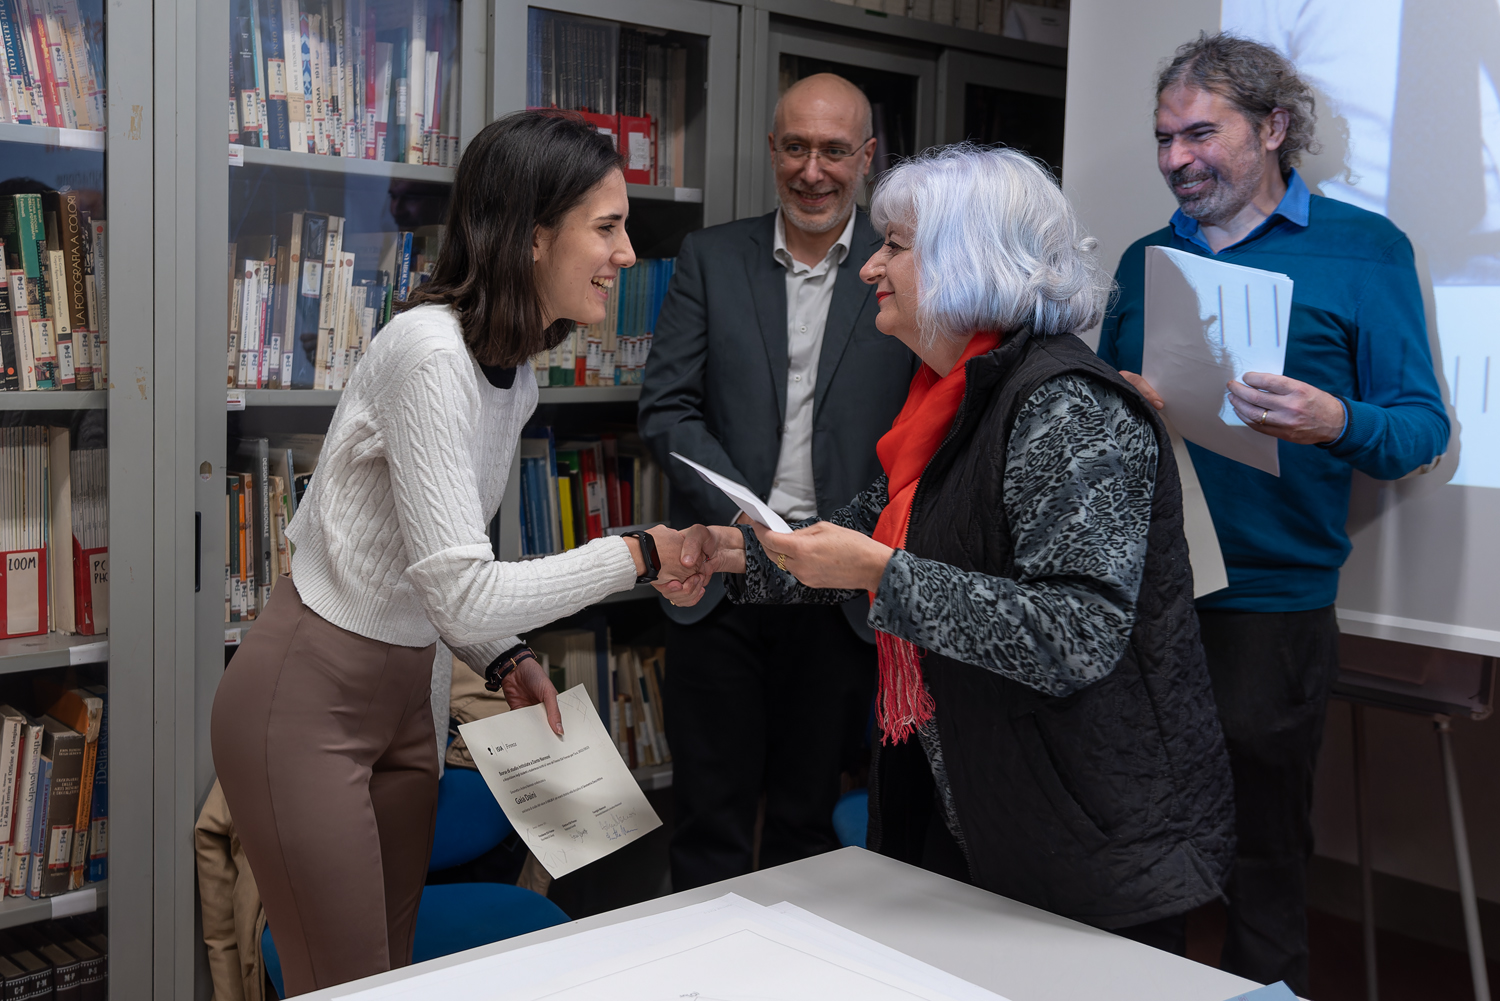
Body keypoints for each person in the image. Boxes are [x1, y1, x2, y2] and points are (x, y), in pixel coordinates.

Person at [664, 144, 1236, 951]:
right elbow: (867, 534)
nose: (870, 267)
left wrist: (883, 575)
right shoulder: (952, 396)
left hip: (1087, 834)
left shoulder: (1068, 405)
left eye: (895, 246)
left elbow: (1075, 632)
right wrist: (735, 553)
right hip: (981, 807)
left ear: (970, 260)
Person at [211, 110, 699, 996]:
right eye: (607, 227)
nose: (627, 253)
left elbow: (435, 576)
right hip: (309, 698)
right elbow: (467, 591)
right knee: (346, 985)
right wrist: (639, 553)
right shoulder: (430, 354)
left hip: (415, 695)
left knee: (388, 979)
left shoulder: (515, 368)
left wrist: (499, 656)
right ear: (533, 235)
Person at [1096, 34, 1450, 992]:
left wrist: (1337, 418)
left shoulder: (1365, 251)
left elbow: (1421, 428)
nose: (1176, 159)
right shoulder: (1144, 257)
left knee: (1264, 855)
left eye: (1201, 133)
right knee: (1139, 847)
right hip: (1146, 600)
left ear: (1274, 128)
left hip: (1273, 605)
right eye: (1165, 138)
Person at [638, 73, 916, 889]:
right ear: (772, 150)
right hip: (721, 576)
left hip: (841, 599)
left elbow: (918, 431)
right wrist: (752, 523)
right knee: (707, 819)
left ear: (867, 158)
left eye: (835, 150)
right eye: (795, 147)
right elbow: (667, 408)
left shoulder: (900, 271)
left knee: (808, 822)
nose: (812, 170)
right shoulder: (711, 258)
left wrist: (828, 545)